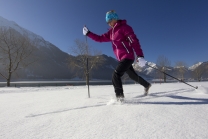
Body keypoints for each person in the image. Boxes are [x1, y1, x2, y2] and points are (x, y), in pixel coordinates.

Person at [83, 10, 151, 101]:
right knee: (132, 76)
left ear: (115, 18)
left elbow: (134, 41)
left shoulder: (124, 27)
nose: (109, 23)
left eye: (110, 21)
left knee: (116, 75)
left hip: (127, 56)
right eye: (107, 22)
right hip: (122, 59)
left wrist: (140, 56)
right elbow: (99, 38)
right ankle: (146, 85)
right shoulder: (111, 33)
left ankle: (120, 98)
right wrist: (88, 33)